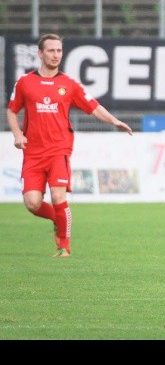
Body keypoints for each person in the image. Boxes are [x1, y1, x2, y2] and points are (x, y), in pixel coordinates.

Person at [7, 33, 133, 258]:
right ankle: (58, 218)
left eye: (59, 51)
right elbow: (12, 110)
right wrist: (17, 134)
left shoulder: (69, 84)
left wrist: (114, 121)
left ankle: (63, 246)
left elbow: (93, 107)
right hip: (33, 153)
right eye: (51, 50)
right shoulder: (25, 82)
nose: (56, 55)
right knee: (32, 203)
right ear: (40, 53)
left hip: (59, 150)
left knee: (58, 197)